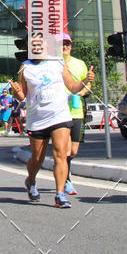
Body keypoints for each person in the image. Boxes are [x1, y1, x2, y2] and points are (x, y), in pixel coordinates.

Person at [12, 33, 94, 208]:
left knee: (60, 153)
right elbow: (22, 96)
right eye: (33, 44)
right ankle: (31, 181)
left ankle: (60, 194)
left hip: (59, 115)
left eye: (40, 44)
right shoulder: (25, 67)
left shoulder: (57, 62)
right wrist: (16, 91)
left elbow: (72, 87)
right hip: (37, 119)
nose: (37, 47)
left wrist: (85, 80)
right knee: (37, 159)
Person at [62, 33, 91, 195]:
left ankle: (62, 167)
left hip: (77, 111)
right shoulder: (54, 64)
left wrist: (81, 93)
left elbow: (87, 85)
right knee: (65, 151)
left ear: (71, 46)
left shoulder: (80, 64)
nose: (64, 47)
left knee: (73, 151)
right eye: (61, 44)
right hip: (60, 113)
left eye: (67, 44)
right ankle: (66, 180)